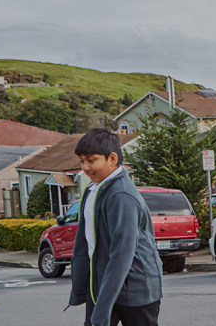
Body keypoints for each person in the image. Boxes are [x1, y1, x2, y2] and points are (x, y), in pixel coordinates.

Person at [66, 128, 163, 326]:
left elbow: (121, 254)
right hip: (103, 286)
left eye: (91, 160)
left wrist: (103, 307)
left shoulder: (121, 196)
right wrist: (81, 286)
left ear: (112, 158)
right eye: (82, 161)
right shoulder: (94, 190)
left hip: (136, 290)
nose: (85, 167)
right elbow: (85, 244)